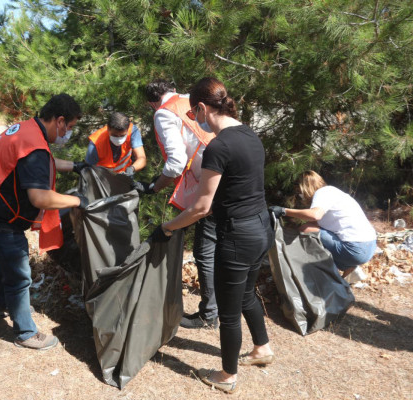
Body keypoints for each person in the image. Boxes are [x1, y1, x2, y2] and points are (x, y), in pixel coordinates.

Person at [154, 77, 274, 394]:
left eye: (193, 114)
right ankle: (262, 348)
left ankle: (227, 376)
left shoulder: (218, 147)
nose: (194, 119)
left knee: (229, 312)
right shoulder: (249, 134)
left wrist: (168, 227)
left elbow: (202, 207)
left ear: (202, 108)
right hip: (261, 227)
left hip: (237, 236)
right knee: (246, 294)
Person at [0, 93, 88, 351]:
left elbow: (43, 163)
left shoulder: (26, 130)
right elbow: (40, 197)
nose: (69, 133)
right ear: (60, 121)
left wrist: (76, 166)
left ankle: (6, 305)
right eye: (70, 127)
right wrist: (78, 201)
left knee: (3, 263)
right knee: (18, 273)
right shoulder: (35, 147)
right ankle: (26, 333)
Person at [140, 79, 219, 329]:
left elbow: (176, 163)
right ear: (172, 90)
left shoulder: (164, 113)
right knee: (219, 246)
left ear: (151, 103)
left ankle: (209, 315)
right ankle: (219, 307)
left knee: (204, 252)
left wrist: (156, 186)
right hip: (226, 173)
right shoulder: (188, 99)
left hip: (211, 183)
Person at [269, 170, 377, 278]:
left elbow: (315, 215)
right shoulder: (333, 193)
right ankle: (348, 271)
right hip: (369, 247)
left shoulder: (322, 193)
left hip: (356, 248)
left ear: (305, 187)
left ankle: (312, 271)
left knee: (306, 229)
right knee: (312, 229)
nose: (300, 196)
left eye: (300, 192)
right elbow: (316, 222)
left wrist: (284, 211)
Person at [84, 111, 146, 176]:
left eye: (122, 136)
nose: (119, 139)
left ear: (127, 130)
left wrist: (132, 168)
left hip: (125, 176)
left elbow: (142, 158)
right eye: (115, 135)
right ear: (108, 129)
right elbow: (87, 172)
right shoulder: (95, 144)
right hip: (103, 179)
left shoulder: (132, 131)